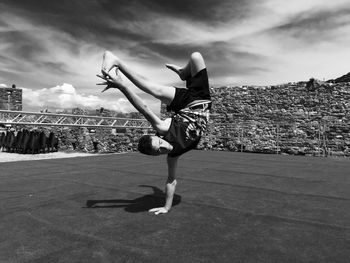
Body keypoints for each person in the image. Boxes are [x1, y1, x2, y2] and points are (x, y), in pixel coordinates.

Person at [97, 51, 211, 215]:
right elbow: (171, 181)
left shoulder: (163, 128)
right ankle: (184, 73)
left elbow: (143, 108)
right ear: (156, 155)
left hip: (187, 103)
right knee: (196, 57)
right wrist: (166, 207)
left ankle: (116, 61)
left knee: (155, 88)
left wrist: (122, 86)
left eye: (160, 143)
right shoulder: (173, 156)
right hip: (203, 100)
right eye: (159, 151)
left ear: (158, 137)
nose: (163, 148)